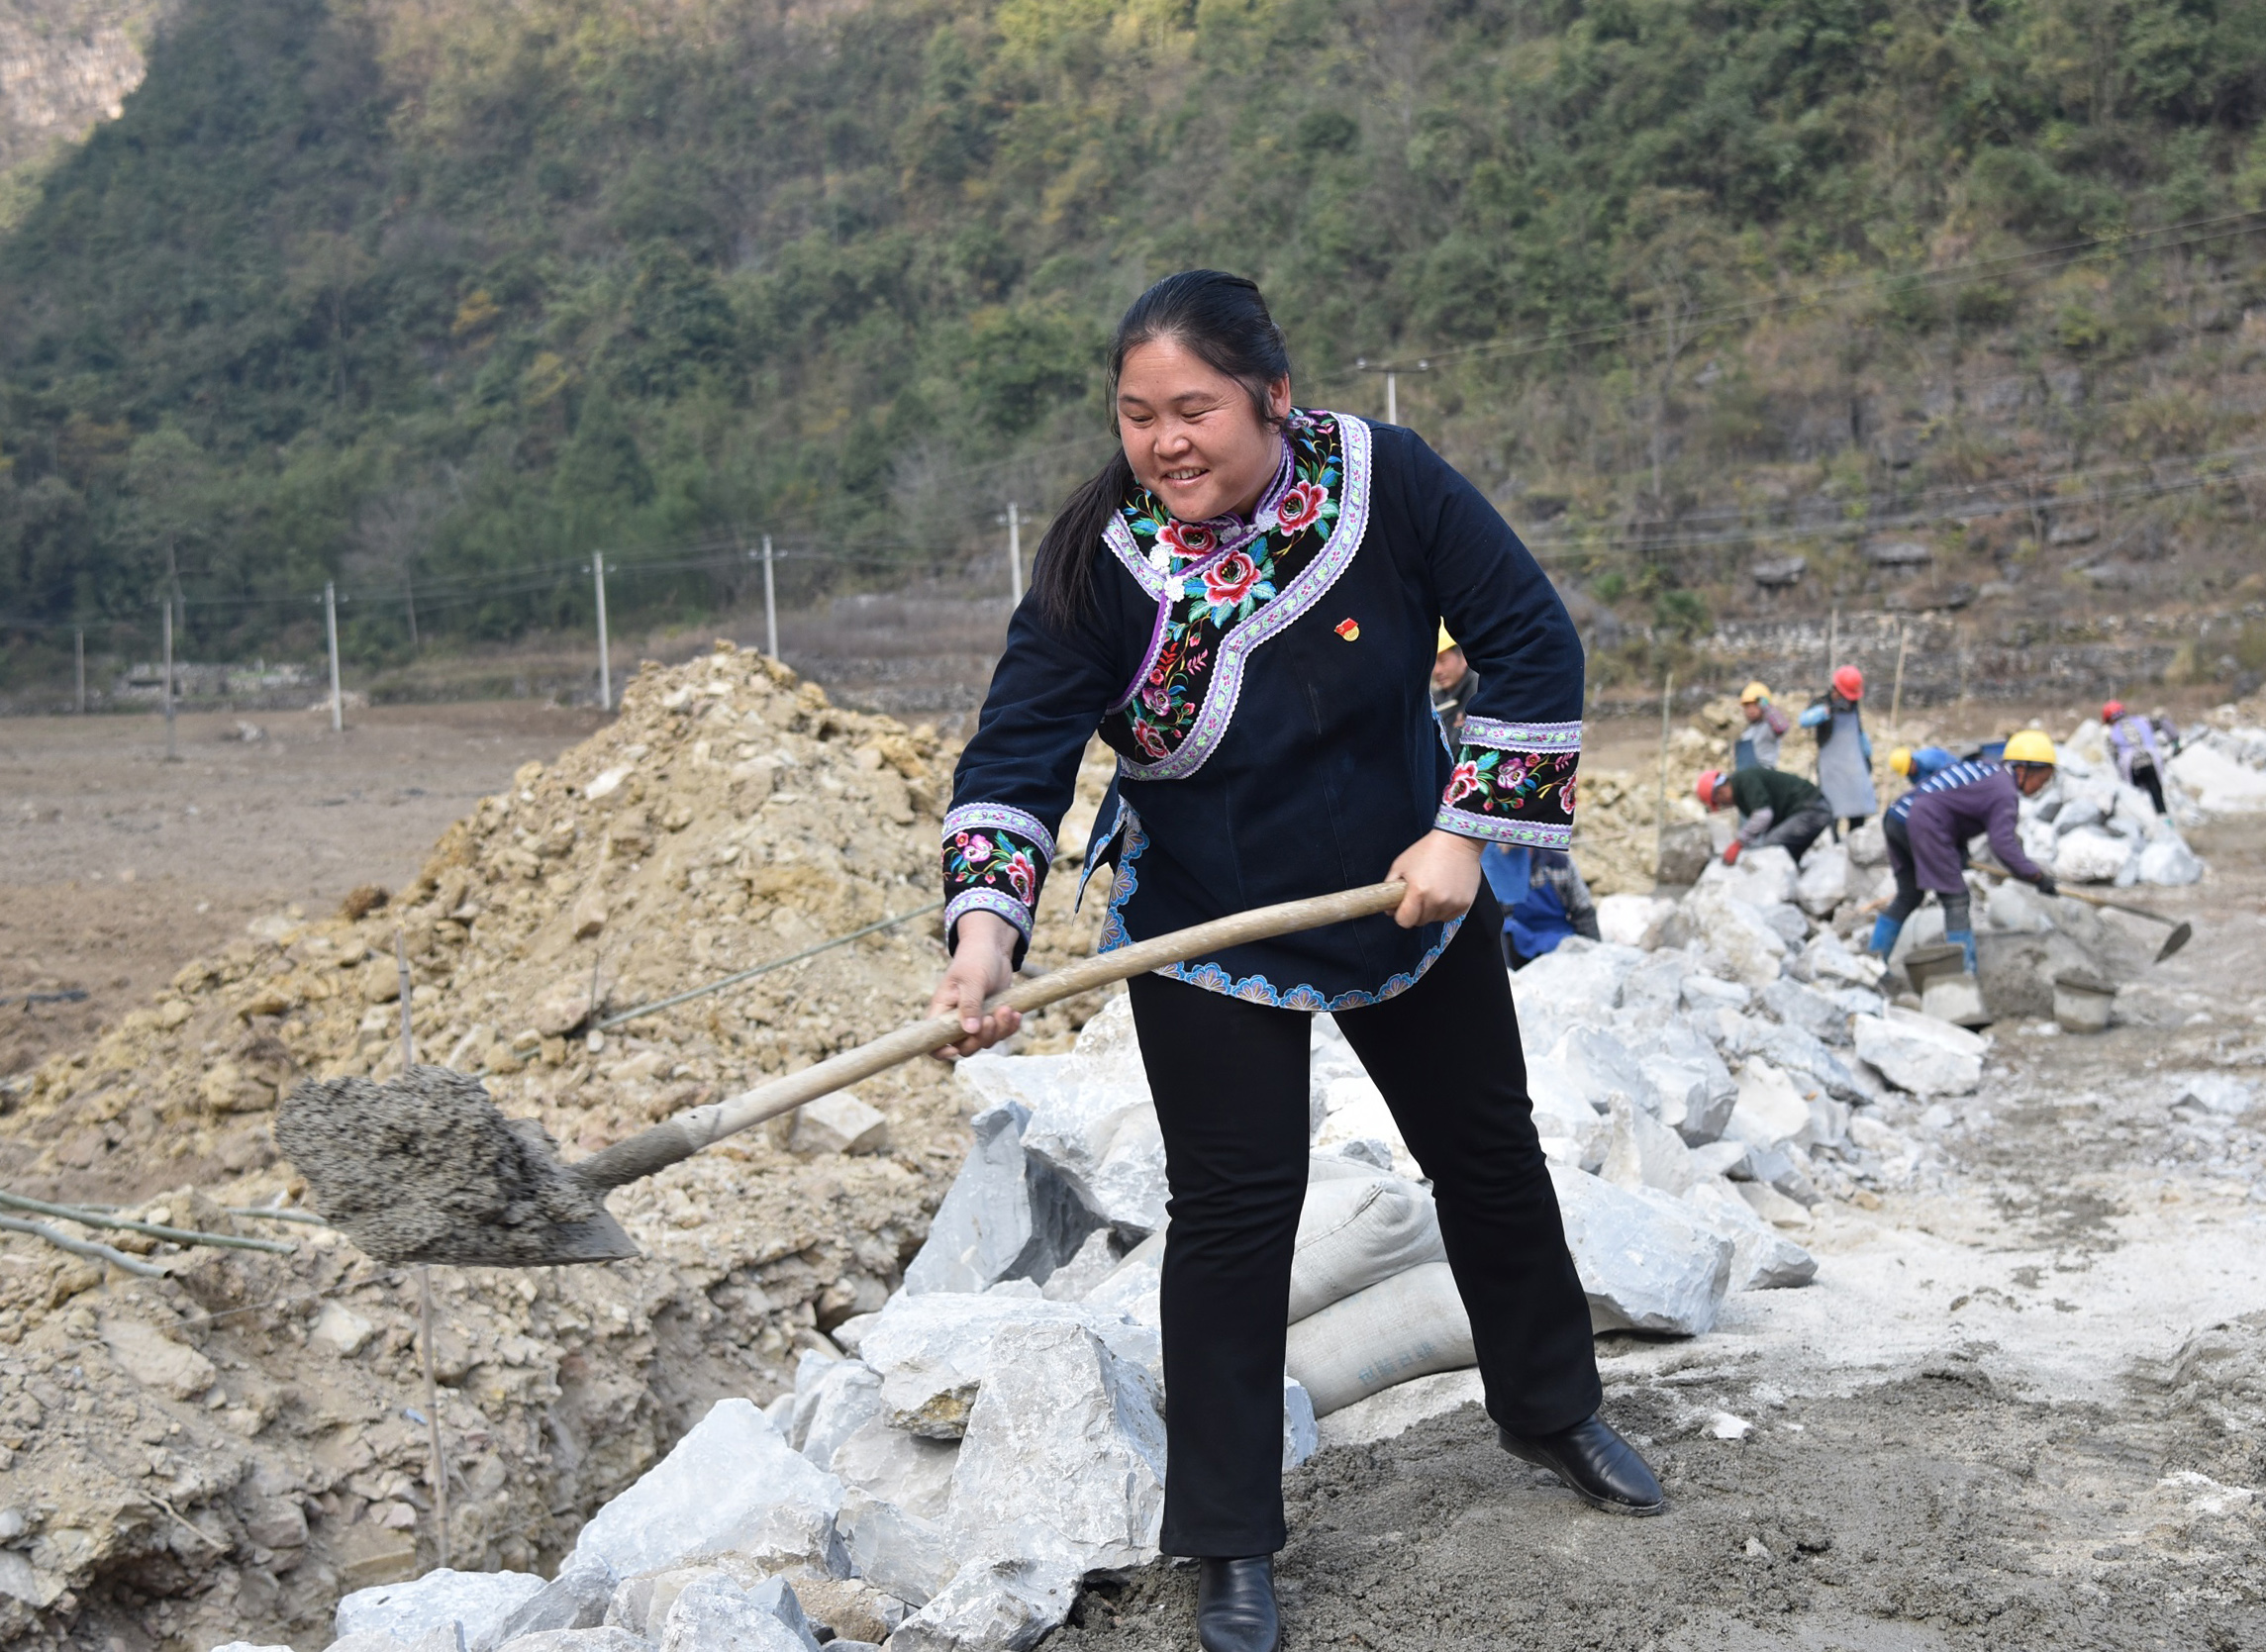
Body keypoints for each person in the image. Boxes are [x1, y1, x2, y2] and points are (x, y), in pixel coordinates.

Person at [927, 271, 1660, 1652]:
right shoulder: (1102, 565)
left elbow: (1526, 640)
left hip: (1406, 887)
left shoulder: (1388, 480)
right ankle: (1226, 1538)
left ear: (1270, 392)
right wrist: (984, 937)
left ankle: (1554, 1410)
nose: (1164, 441)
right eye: (1137, 415)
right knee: (1234, 1214)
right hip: (1207, 918)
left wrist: (1464, 835)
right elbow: (1014, 752)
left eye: (1192, 408)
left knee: (1488, 1153)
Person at [1864, 730, 2059, 971]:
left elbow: (1952, 806)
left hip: (1897, 817)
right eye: (2042, 778)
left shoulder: (1987, 771)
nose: (2042, 786)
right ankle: (1964, 977)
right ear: (2023, 770)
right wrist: (2036, 876)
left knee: (1909, 895)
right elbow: (2003, 844)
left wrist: (1959, 851)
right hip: (1922, 822)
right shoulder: (2004, 792)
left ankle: (1870, 964)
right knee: (1956, 899)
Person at [1482, 842, 1600, 968]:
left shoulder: (1558, 865)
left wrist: (1594, 955)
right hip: (1519, 941)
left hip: (1558, 940)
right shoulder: (1494, 869)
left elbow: (1584, 914)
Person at [1697, 765, 1834, 864]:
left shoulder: (1745, 781)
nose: (1722, 806)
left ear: (1720, 792)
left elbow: (1763, 815)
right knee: (1782, 851)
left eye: (1719, 803)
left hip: (1812, 809)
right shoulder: (1740, 791)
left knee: (1772, 846)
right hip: (1806, 810)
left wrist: (1738, 844)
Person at [1800, 665, 1877, 832]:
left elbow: (1859, 733)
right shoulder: (1822, 704)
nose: (1847, 701)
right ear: (1836, 690)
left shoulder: (1854, 706)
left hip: (1853, 769)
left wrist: (1867, 755)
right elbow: (1804, 720)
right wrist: (1825, 711)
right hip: (1831, 771)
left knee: (1858, 813)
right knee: (1831, 811)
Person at [2102, 699, 2175, 816]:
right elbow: (2163, 721)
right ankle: (2164, 819)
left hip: (2131, 766)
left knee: (2137, 798)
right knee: (2156, 793)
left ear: (2109, 718)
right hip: (2152, 760)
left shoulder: (2111, 733)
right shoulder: (2143, 720)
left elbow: (2114, 757)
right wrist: (2176, 742)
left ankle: (2147, 824)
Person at [1431, 624, 1477, 743]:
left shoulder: (1478, 691)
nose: (1437, 670)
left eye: (1443, 660)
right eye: (1432, 663)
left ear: (1462, 657)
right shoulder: (1437, 698)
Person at [1733, 680, 1791, 770]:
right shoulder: (1747, 732)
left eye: (1755, 705)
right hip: (1748, 775)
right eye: (1747, 706)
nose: (1751, 710)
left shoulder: (1768, 727)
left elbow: (1782, 727)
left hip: (1765, 774)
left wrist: (1767, 707)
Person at [1889, 744, 1957, 786]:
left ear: (1911, 761)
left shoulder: (1928, 760)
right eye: (1907, 772)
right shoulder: (1912, 776)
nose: (1910, 773)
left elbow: (1950, 774)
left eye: (1909, 769)